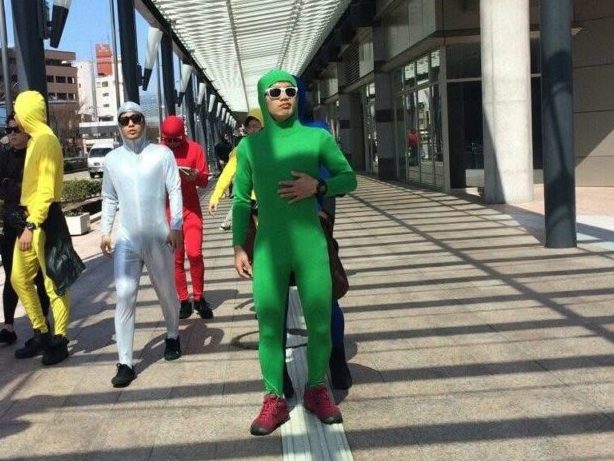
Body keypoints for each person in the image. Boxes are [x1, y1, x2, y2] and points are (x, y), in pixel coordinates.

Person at [233, 70, 357, 436]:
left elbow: (348, 178)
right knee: (270, 327)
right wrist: (238, 245)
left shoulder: (317, 137)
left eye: (290, 90)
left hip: (310, 246)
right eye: (275, 92)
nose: (284, 96)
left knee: (319, 322)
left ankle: (317, 389)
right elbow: (240, 201)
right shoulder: (249, 147)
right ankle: (274, 399)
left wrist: (318, 186)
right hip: (269, 248)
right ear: (263, 99)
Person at [101, 102, 183, 388]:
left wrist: (176, 226)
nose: (131, 124)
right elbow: (109, 197)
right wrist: (105, 231)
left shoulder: (162, 154)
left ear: (144, 122)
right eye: (124, 120)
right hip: (127, 239)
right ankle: (125, 361)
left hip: (159, 236)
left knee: (166, 291)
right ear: (119, 126)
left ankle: (172, 335)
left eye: (135, 118)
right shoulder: (112, 160)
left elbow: (174, 189)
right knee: (124, 295)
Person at [10, 90, 71, 365]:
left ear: (28, 112)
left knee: (53, 282)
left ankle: (59, 338)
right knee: (18, 278)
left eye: (18, 110)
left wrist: (32, 224)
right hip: (33, 219)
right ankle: (41, 331)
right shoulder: (37, 139)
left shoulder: (45, 140)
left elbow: (46, 190)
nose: (16, 116)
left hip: (43, 220)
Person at [0, 113, 50, 345]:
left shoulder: (35, 152)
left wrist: (13, 187)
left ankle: (42, 324)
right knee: (12, 275)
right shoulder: (4, 156)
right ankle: (8, 326)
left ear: (27, 131)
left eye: (16, 130)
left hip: (33, 222)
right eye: (8, 130)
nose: (12, 134)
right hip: (11, 223)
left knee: (38, 276)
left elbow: (40, 189)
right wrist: (15, 188)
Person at [160, 115, 213, 320]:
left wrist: (196, 176)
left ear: (183, 135)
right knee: (176, 259)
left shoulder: (195, 149)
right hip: (168, 213)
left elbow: (205, 181)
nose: (173, 144)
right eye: (169, 140)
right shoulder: (159, 152)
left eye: (176, 140)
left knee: (195, 253)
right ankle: (183, 300)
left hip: (191, 211)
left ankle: (199, 297)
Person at [208, 108, 263, 230]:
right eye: (249, 127)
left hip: (270, 198)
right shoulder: (240, 149)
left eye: (256, 126)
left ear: (263, 127)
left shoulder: (273, 147)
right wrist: (216, 194)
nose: (252, 130)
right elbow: (227, 173)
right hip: (250, 200)